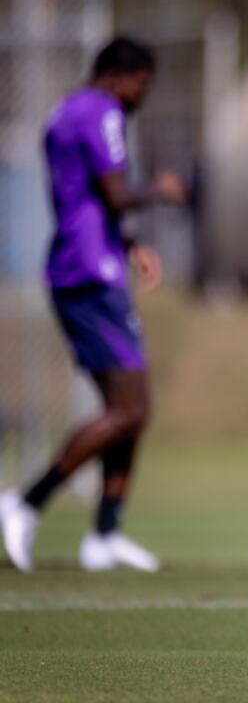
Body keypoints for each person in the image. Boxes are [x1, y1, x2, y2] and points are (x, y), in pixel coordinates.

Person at [1, 37, 186, 573]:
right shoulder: (103, 112)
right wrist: (160, 188)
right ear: (119, 77)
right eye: (142, 84)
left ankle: (105, 534)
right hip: (89, 273)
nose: (141, 96)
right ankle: (25, 501)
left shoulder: (65, 112)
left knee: (131, 410)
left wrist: (128, 243)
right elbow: (115, 194)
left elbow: (82, 199)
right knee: (130, 409)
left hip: (82, 262)